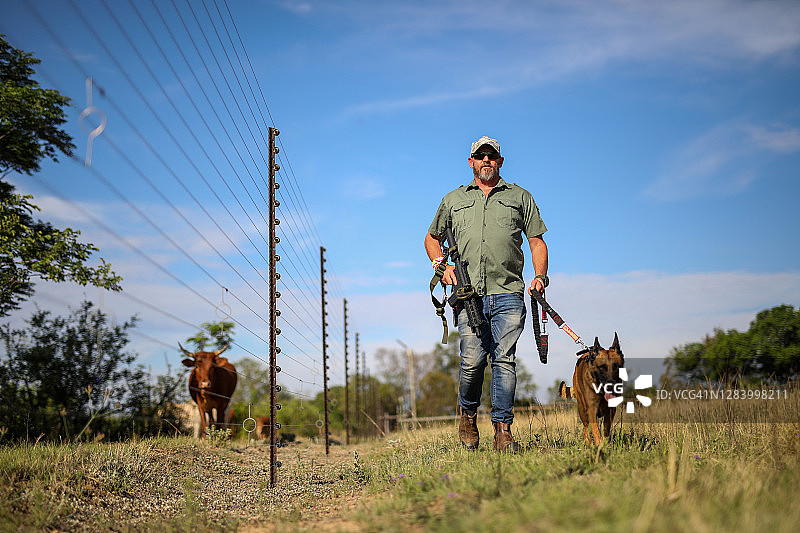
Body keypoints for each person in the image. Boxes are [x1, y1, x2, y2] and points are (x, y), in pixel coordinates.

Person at [425, 135, 548, 452]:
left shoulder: (520, 197)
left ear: (500, 161)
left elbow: (536, 240)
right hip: (469, 295)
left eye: (491, 156)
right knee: (472, 362)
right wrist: (442, 267)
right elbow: (431, 238)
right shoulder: (453, 200)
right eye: (480, 156)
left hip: (509, 293)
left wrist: (540, 277)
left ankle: (503, 432)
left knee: (504, 360)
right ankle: (467, 414)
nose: (486, 160)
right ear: (471, 162)